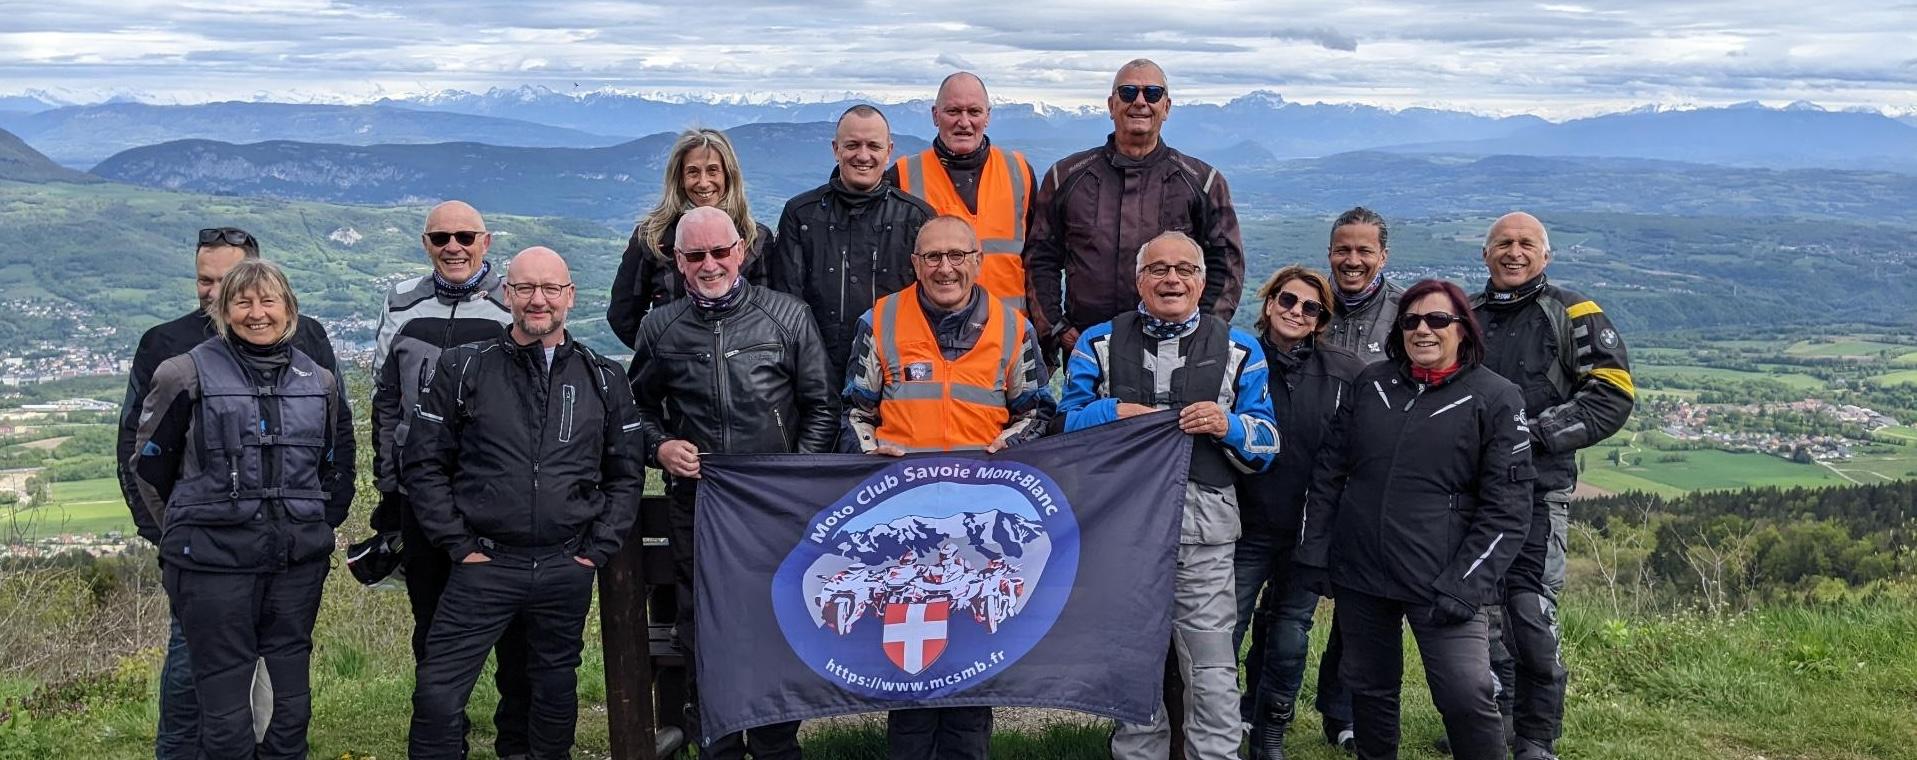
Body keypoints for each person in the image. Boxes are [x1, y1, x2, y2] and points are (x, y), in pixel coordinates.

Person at [404, 247, 644, 760]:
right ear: (507, 295)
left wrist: (595, 550)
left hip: (564, 563)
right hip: (483, 564)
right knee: (438, 693)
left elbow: (626, 474)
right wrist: (458, 544)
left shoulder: (604, 378)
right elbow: (423, 464)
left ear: (569, 297)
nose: (539, 300)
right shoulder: (464, 367)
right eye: (527, 289)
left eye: (550, 289)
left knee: (552, 692)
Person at [115, 227, 338, 760]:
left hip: (292, 558)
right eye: (231, 295)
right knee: (210, 695)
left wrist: (316, 524)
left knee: (286, 699)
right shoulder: (175, 359)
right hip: (209, 559)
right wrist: (175, 533)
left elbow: (335, 455)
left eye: (266, 300)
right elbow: (145, 461)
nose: (253, 311)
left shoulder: (315, 367)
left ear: (288, 307)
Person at [1054, 231, 1278, 760]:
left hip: (1203, 529)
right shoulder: (1098, 343)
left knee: (1211, 665)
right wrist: (1114, 414)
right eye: (1158, 269)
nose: (1171, 279)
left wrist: (1227, 423)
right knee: (1131, 662)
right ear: (1139, 279)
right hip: (1119, 529)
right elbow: (1063, 426)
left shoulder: (1241, 348)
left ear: (1202, 280)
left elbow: (1268, 441)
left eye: (1184, 269)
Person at [629, 206, 838, 759]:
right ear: (678, 261)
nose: (709, 264)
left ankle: (775, 745)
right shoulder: (661, 327)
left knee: (775, 625)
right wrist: (660, 447)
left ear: (741, 251)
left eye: (720, 252)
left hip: (775, 509)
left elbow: (822, 407)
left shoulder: (787, 319)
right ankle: (717, 746)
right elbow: (635, 412)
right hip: (699, 507)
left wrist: (796, 476)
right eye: (695, 255)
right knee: (705, 629)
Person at [842, 215, 1055, 759]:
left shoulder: (1014, 329)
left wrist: (1006, 449)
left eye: (957, 256)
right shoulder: (881, 321)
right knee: (909, 659)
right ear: (914, 264)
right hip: (903, 523)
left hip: (977, 528)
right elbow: (853, 409)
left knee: (970, 655)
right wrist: (869, 451)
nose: (945, 268)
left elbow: (1037, 414)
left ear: (977, 262)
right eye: (932, 257)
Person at [1295, 279, 1533, 760]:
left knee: (1466, 695)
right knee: (1369, 690)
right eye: (1411, 321)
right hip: (1363, 574)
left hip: (1443, 581)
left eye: (1438, 320)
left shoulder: (1496, 398)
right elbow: (1329, 472)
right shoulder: (1372, 384)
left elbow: (1507, 509)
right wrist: (1316, 550)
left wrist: (1465, 584)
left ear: (1463, 329)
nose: (1422, 329)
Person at [363, 200, 529, 756]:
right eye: (441, 239)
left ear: (486, 242)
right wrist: (389, 487)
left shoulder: (516, 299)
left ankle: (518, 738)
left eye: (465, 237)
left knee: (514, 629)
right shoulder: (401, 303)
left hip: (497, 494)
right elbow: (386, 400)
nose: (453, 247)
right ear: (425, 243)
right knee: (430, 622)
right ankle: (443, 736)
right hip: (421, 494)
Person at [1470, 212, 1634, 760]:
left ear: (1546, 255)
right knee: (1480, 620)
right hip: (1469, 495)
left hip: (1539, 492)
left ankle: (1537, 738)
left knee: (1530, 615)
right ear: (1486, 253)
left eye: (1525, 244)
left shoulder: (1574, 312)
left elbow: (1611, 394)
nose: (1513, 252)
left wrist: (1529, 436)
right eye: (1503, 244)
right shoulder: (1465, 314)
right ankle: (1496, 728)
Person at [1023, 58, 1245, 366]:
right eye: (1128, 93)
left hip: (1174, 355)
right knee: (1090, 417)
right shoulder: (1066, 177)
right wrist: (1058, 329)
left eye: (1152, 93)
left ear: (1166, 107)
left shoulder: (1202, 182)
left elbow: (1227, 267)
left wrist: (1200, 334)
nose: (1140, 101)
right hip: (1086, 350)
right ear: (1111, 104)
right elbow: (1040, 260)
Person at [1231, 267, 1365, 760]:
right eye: (1288, 300)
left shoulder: (1344, 371)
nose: (1297, 312)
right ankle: (1220, 727)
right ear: (1269, 303)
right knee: (1224, 633)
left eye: (1312, 308)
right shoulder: (1236, 356)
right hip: (1243, 524)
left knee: (1289, 637)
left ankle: (1270, 733)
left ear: (1322, 318)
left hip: (1308, 531)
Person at [770, 104, 936, 390]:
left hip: (896, 375)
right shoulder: (801, 215)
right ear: (836, 149)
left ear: (889, 150)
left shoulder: (917, 218)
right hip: (816, 376)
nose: (863, 155)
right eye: (852, 145)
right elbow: (786, 304)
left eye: (873, 145)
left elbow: (933, 302)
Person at [607, 128, 773, 348]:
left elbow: (770, 314)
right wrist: (662, 354)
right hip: (674, 377)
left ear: (728, 175)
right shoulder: (652, 237)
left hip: (743, 373)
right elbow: (623, 315)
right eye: (693, 172)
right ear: (679, 179)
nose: (703, 183)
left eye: (713, 171)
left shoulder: (755, 238)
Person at [888, 72, 1037, 313]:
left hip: (1009, 334)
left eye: (974, 112)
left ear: (987, 116)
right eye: (953, 111)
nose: (964, 122)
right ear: (935, 116)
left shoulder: (1019, 171)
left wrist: (1043, 330)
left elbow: (1038, 259)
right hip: (932, 333)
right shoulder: (902, 176)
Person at [1323, 207, 1403, 362]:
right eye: (1342, 250)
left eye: (1364, 251)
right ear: (1330, 253)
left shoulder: (1405, 312)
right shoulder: (1307, 306)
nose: (1353, 261)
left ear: (1383, 257)